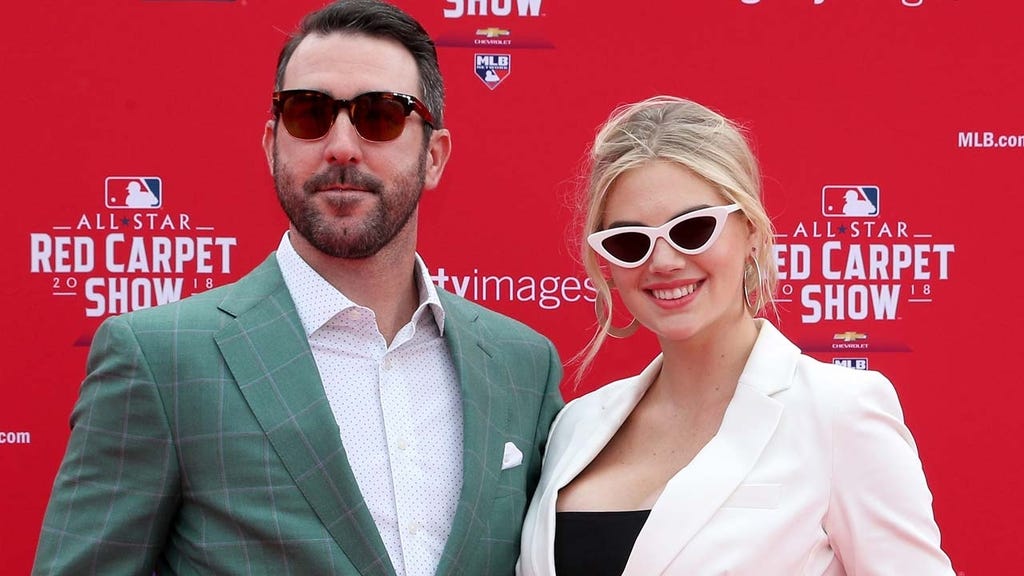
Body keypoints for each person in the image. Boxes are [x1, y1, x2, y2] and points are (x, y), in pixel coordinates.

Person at [32, 1, 563, 575]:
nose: (340, 146)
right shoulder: (163, 361)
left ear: (433, 157)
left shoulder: (521, 366)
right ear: (272, 146)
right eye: (308, 114)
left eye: (380, 115)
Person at [517, 96, 954, 575]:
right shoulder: (574, 428)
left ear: (750, 231)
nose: (663, 262)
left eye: (694, 229)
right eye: (629, 241)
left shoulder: (838, 413)